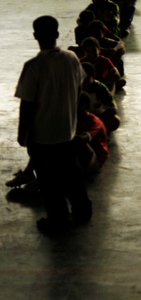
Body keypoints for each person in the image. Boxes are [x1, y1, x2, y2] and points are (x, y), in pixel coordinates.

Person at [14, 16, 92, 234]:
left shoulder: (34, 66)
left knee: (49, 181)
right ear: (57, 35)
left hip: (43, 136)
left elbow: (27, 105)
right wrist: (74, 119)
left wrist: (23, 134)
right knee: (71, 174)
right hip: (66, 130)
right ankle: (82, 209)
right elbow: (78, 89)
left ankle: (57, 219)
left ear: (35, 36)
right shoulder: (72, 59)